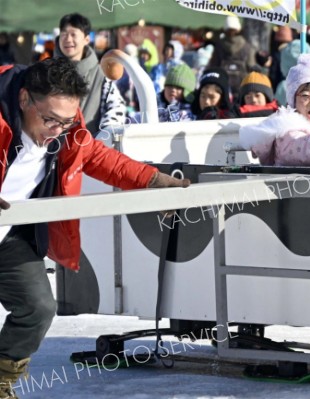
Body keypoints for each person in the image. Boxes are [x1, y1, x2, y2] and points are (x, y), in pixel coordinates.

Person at [0, 57, 188, 399]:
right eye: (50, 120)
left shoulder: (65, 128)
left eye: (67, 121)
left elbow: (97, 157)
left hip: (9, 233)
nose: (58, 130)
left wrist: (152, 179)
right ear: (24, 99)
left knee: (38, 308)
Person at [54, 13, 126, 137]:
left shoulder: (101, 75)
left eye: (73, 34)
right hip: (51, 150)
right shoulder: (47, 72)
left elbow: (116, 108)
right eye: (64, 34)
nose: (68, 39)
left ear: (86, 39)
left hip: (88, 149)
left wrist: (104, 137)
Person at [208, 15, 256, 98]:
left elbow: (213, 66)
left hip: (222, 86)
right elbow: (252, 66)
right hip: (242, 86)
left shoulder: (219, 46)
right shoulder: (247, 47)